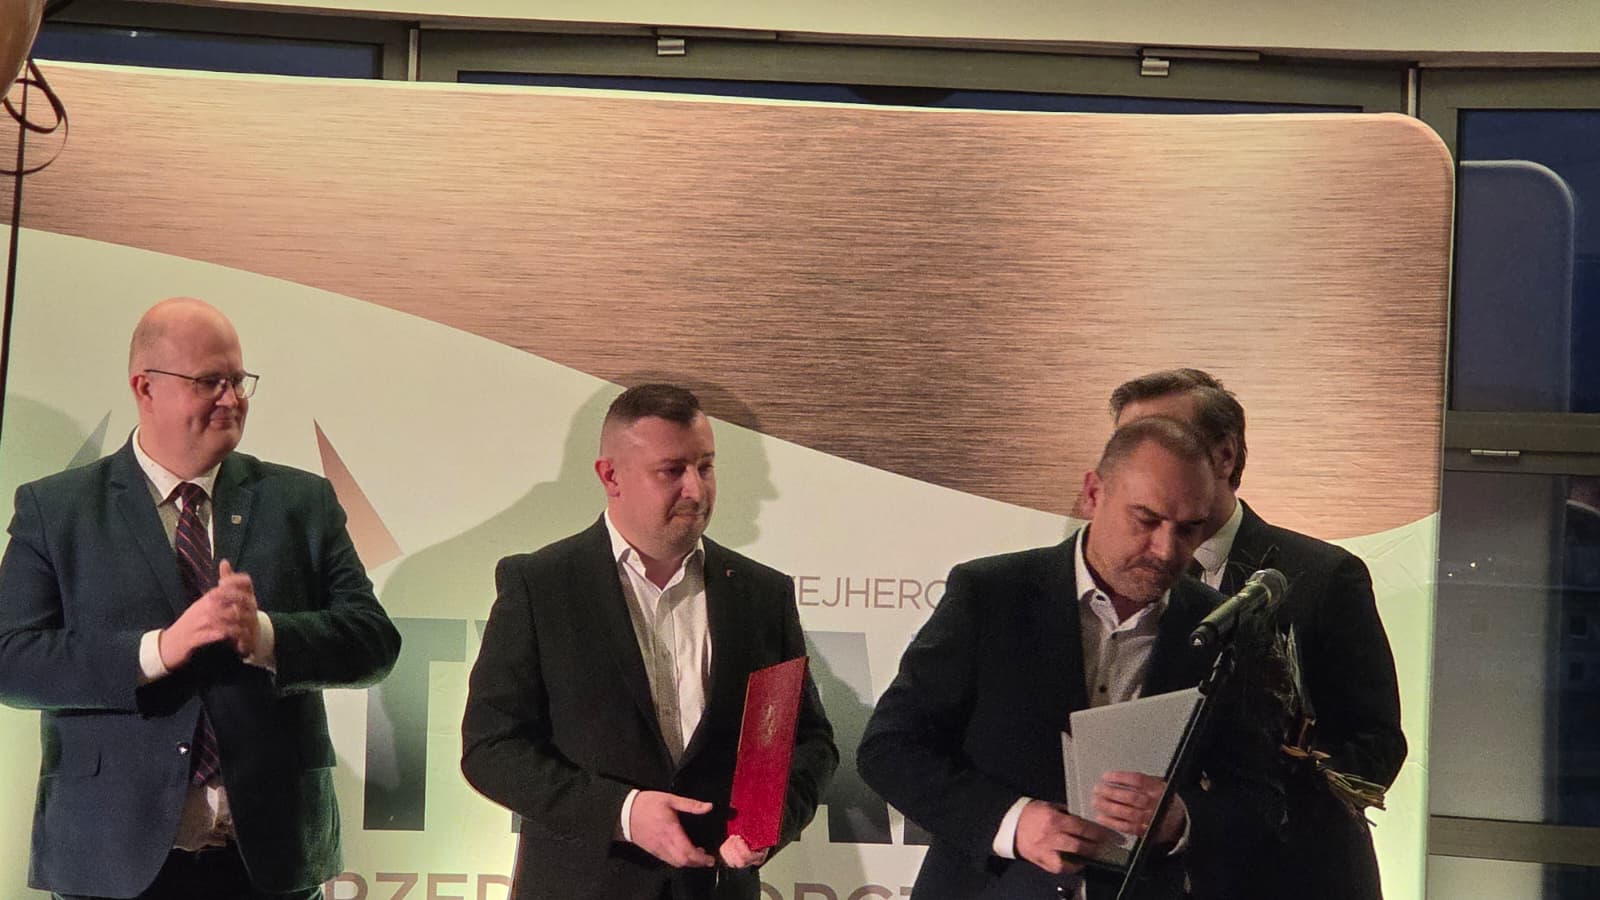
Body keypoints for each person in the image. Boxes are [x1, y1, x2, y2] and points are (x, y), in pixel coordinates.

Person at [0, 297, 402, 899]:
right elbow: (10, 659)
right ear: (145, 388)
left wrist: (266, 636)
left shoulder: (302, 502)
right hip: (110, 864)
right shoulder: (57, 509)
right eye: (210, 381)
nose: (232, 398)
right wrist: (158, 650)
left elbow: (374, 643)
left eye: (239, 380)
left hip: (270, 862)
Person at [858, 416, 1281, 900]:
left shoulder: (1222, 627)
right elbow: (889, 748)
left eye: (1189, 529)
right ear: (1093, 494)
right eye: (1146, 520)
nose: (1166, 550)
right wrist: (1012, 822)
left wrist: (1181, 820)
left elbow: (1261, 797)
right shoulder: (990, 595)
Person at [461, 383, 837, 900]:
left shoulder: (762, 593)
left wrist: (766, 824)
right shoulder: (540, 585)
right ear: (610, 476)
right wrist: (623, 812)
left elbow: (810, 742)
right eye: (672, 470)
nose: (696, 489)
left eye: (705, 466)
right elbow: (491, 749)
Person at [1110, 367, 1405, 900]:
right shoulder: (1108, 577)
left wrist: (1244, 810)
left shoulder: (1322, 576)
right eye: (1129, 445)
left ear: (1224, 456)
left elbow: (1375, 748)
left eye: (1166, 441)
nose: (1145, 462)